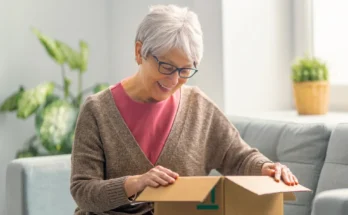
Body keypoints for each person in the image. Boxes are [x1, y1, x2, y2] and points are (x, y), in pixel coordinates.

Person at [70, 4, 299, 215]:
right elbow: (83, 191)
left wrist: (266, 167)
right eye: (166, 66)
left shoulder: (199, 107)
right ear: (140, 52)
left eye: (185, 70)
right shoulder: (97, 111)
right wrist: (135, 184)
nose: (174, 79)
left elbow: (238, 158)